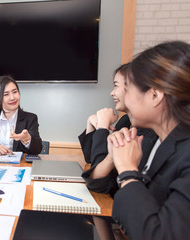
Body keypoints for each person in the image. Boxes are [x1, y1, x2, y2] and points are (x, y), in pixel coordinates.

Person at [85, 41, 190, 239]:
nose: (124, 97)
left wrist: (127, 172)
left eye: (129, 89)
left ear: (155, 95)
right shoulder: (162, 141)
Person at [78, 63, 132, 164]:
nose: (112, 93)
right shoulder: (125, 121)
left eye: (116, 85)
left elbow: (100, 170)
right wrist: (91, 123)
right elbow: (91, 160)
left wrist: (103, 127)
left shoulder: (147, 132)